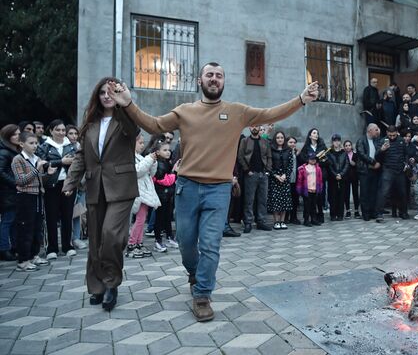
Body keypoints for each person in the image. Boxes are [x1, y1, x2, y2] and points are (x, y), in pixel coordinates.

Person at [107, 62, 319, 321]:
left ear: (223, 82)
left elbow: (270, 113)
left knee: (210, 244)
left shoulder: (237, 112)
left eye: (219, 75)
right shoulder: (185, 111)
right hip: (187, 187)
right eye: (210, 75)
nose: (214, 79)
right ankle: (195, 273)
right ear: (200, 81)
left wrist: (301, 99)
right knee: (186, 243)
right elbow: (153, 125)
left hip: (219, 189)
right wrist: (128, 103)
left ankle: (202, 294)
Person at [62, 77, 140, 312]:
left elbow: (134, 129)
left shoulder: (125, 119)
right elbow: (81, 158)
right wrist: (70, 182)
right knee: (95, 240)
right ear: (97, 96)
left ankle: (111, 283)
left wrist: (126, 102)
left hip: (121, 187)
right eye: (103, 92)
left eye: (111, 92)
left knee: (111, 236)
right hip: (96, 187)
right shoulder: (90, 124)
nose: (107, 96)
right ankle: (96, 287)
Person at [11, 132, 55, 271]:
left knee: (37, 227)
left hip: (37, 196)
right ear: (21, 144)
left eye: (36, 143)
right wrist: (37, 169)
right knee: (25, 228)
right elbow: (20, 180)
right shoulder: (18, 159)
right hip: (25, 197)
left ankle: (33, 255)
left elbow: (39, 179)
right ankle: (23, 260)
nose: (35, 146)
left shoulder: (36, 158)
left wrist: (48, 174)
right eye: (31, 143)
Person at [37, 119, 78, 260]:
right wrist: (61, 162)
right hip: (51, 186)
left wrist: (72, 183)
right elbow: (40, 164)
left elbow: (77, 165)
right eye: (58, 130)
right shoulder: (45, 146)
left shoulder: (71, 146)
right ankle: (51, 248)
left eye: (63, 130)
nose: (61, 133)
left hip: (67, 184)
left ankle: (68, 246)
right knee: (51, 217)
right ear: (51, 131)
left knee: (68, 215)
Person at [127, 133, 160, 258]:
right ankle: (131, 244)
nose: (142, 145)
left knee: (142, 219)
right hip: (138, 193)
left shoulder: (140, 157)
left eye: (142, 143)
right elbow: (137, 171)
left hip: (145, 192)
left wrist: (153, 162)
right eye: (140, 143)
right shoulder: (129, 156)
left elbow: (151, 174)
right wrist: (149, 159)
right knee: (140, 220)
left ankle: (138, 243)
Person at [238, 125, 273, 234]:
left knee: (263, 199)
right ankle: (248, 222)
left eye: (257, 126)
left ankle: (261, 221)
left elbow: (269, 156)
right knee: (249, 200)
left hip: (263, 174)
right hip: (250, 174)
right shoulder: (245, 141)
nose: (254, 128)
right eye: (252, 126)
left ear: (259, 128)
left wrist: (267, 170)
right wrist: (247, 170)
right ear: (249, 128)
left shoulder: (265, 141)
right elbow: (240, 156)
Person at [375, 126, 409, 222]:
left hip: (400, 170)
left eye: (394, 135)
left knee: (402, 192)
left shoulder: (401, 141)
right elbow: (376, 156)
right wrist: (382, 149)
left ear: (397, 133)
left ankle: (403, 212)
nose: (392, 137)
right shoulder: (382, 141)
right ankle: (379, 214)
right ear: (387, 133)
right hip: (388, 170)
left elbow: (406, 154)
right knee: (384, 192)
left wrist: (406, 163)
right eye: (390, 135)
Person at [298, 128, 328, 223]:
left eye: (317, 133)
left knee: (320, 196)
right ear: (310, 135)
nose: (316, 134)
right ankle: (308, 218)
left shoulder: (322, 146)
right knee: (309, 199)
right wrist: (310, 161)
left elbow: (328, 160)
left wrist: (320, 160)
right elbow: (301, 158)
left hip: (320, 174)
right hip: (309, 176)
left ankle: (319, 216)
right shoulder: (306, 147)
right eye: (314, 133)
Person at [152, 141, 178, 252]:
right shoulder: (158, 163)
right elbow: (164, 180)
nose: (168, 152)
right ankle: (158, 241)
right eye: (165, 150)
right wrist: (175, 172)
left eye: (169, 150)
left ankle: (169, 237)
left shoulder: (167, 162)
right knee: (159, 218)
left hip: (167, 195)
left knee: (167, 217)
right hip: (160, 195)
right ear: (157, 152)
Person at [0, 125, 21, 261]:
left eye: (19, 133)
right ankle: (3, 249)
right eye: (15, 134)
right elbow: (0, 172)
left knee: (13, 221)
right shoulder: (4, 152)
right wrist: (15, 183)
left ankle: (14, 247)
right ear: (8, 136)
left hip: (14, 192)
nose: (19, 136)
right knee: (7, 221)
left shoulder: (14, 150)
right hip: (8, 192)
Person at [66, 125, 88, 249]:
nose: (74, 136)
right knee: (67, 213)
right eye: (70, 133)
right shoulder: (63, 148)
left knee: (78, 212)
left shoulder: (79, 147)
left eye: (75, 133)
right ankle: (67, 239)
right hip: (66, 184)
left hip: (81, 185)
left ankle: (76, 237)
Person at [267, 131, 293, 229]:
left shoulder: (288, 150)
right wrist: (275, 175)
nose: (280, 139)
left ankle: (282, 221)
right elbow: (268, 164)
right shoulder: (271, 149)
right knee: (275, 201)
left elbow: (291, 164)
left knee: (285, 200)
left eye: (282, 137)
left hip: (285, 178)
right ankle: (276, 221)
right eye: (278, 137)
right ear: (275, 139)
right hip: (275, 179)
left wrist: (285, 175)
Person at [356, 123, 381, 221]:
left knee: (373, 192)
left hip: (374, 170)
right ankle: (365, 214)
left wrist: (377, 163)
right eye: (376, 129)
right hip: (364, 170)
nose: (377, 131)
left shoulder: (376, 140)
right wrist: (373, 162)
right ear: (370, 130)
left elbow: (378, 152)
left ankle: (372, 212)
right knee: (364, 193)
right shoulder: (361, 140)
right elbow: (361, 154)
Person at [296, 153, 323, 227]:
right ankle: (306, 220)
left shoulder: (318, 168)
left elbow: (320, 179)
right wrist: (299, 189)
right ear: (308, 159)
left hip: (315, 189)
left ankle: (313, 219)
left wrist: (320, 188)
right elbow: (299, 180)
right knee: (307, 206)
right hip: (307, 190)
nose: (313, 160)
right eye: (311, 159)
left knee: (314, 206)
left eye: (314, 159)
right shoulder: (303, 168)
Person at [326, 134, 349, 221]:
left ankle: (340, 214)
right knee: (333, 196)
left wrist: (341, 174)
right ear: (332, 142)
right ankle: (333, 214)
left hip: (342, 178)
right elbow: (329, 165)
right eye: (335, 141)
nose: (336, 142)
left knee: (341, 196)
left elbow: (347, 164)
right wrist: (335, 174)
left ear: (340, 142)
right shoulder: (329, 153)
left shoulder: (344, 153)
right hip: (332, 178)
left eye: (338, 140)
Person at [285, 136, 301, 225]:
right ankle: (285, 217)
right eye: (291, 142)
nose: (293, 144)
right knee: (287, 199)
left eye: (294, 142)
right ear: (287, 143)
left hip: (295, 180)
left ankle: (293, 217)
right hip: (287, 179)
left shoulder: (296, 153)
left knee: (295, 199)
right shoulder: (284, 153)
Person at [343, 140, 360, 219]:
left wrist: (355, 164)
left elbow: (359, 165)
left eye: (349, 145)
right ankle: (348, 211)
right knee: (346, 193)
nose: (348, 147)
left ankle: (356, 211)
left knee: (355, 193)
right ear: (344, 147)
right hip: (346, 177)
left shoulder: (356, 155)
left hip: (354, 177)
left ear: (351, 146)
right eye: (346, 145)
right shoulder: (343, 155)